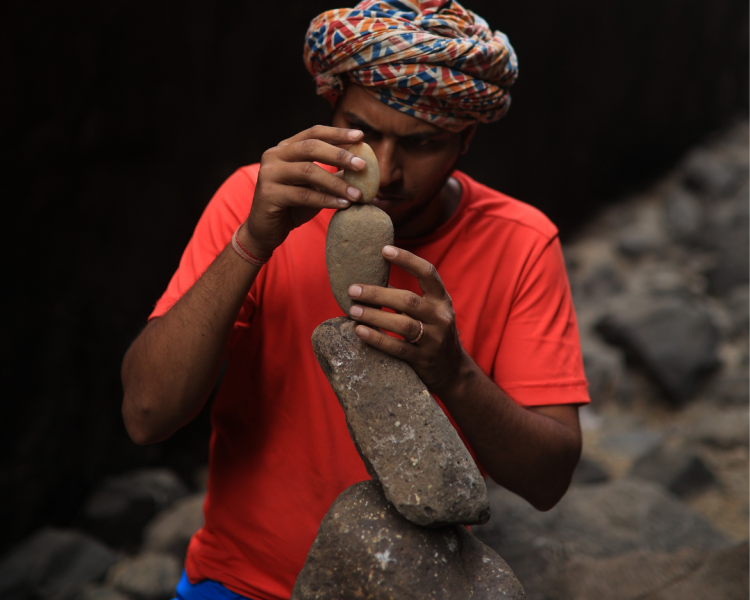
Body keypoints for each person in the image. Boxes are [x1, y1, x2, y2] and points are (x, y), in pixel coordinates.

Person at [121, 2, 590, 599]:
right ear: (330, 109)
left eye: (421, 143)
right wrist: (251, 243)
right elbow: (145, 415)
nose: (387, 172)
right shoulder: (254, 199)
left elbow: (548, 482)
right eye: (363, 133)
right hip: (238, 583)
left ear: (465, 139)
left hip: (409, 585)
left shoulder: (520, 241)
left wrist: (455, 374)